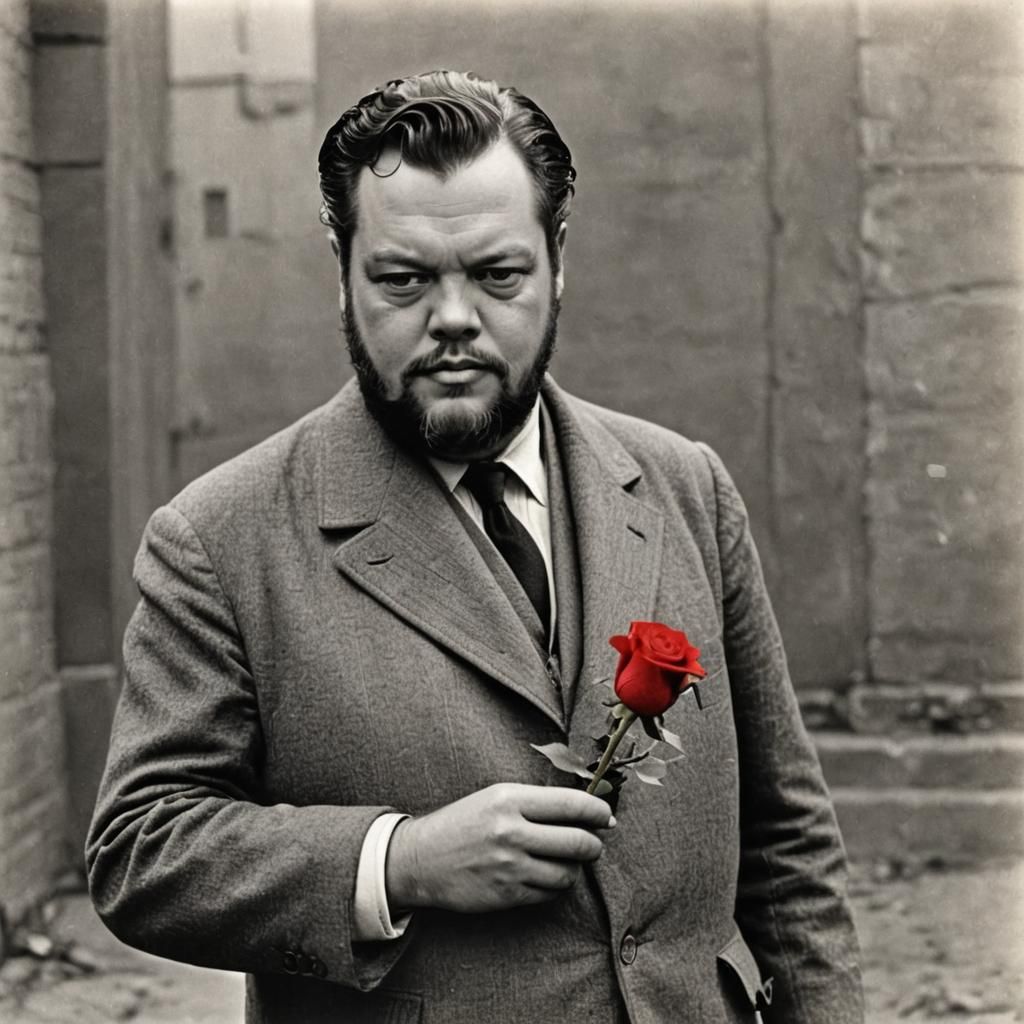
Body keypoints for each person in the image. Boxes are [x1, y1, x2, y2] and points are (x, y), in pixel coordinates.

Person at [86, 69, 863, 1023]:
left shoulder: (686, 487)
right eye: (404, 278)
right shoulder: (218, 538)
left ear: (558, 261)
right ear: (343, 271)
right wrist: (398, 861)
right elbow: (139, 849)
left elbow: (789, 849)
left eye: (498, 275)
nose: (453, 319)